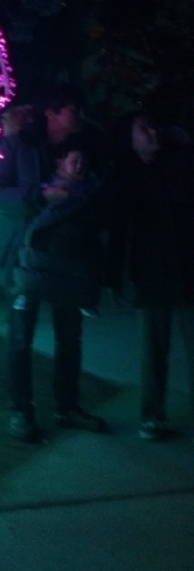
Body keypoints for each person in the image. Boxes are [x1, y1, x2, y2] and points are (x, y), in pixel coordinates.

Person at [0, 84, 107, 441]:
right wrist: (39, 195)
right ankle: (21, 411)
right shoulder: (18, 144)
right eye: (72, 109)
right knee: (21, 337)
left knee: (70, 336)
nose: (79, 116)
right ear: (52, 113)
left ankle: (67, 407)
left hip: (68, 262)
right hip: (24, 258)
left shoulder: (83, 147)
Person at [107, 111, 194, 440]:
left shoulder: (181, 164)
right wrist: (115, 277)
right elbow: (118, 230)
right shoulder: (126, 177)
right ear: (129, 140)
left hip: (187, 267)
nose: (152, 133)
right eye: (143, 129)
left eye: (154, 127)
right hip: (151, 273)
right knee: (154, 349)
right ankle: (151, 415)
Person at [12, 134, 103, 319]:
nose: (80, 167)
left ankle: (80, 298)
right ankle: (28, 292)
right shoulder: (48, 191)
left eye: (83, 162)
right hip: (44, 249)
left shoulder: (90, 191)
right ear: (60, 163)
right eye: (75, 161)